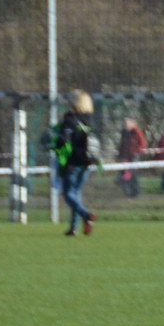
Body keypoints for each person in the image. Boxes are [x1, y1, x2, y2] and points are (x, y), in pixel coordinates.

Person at [50, 92, 95, 235]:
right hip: (86, 163)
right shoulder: (89, 121)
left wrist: (54, 141)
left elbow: (64, 140)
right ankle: (74, 228)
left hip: (72, 163)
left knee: (68, 194)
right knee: (76, 194)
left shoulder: (70, 120)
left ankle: (86, 215)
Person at [115, 116, 146, 199]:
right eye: (125, 122)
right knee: (124, 173)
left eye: (127, 122)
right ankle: (127, 192)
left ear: (132, 123)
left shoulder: (137, 132)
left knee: (133, 174)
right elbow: (122, 144)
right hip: (125, 156)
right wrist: (120, 154)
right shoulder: (124, 132)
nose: (125, 124)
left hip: (134, 156)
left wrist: (137, 152)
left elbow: (143, 144)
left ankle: (135, 192)